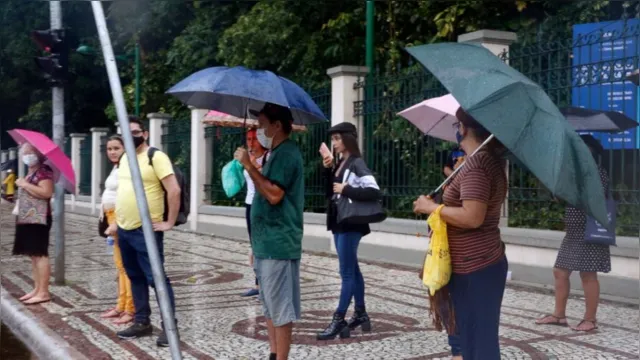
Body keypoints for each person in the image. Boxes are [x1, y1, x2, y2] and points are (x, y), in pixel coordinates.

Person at [413, 108, 508, 360]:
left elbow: (472, 217)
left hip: (476, 266)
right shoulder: (479, 161)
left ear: (463, 128)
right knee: (471, 342)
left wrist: (432, 207)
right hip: (477, 263)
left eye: (457, 124)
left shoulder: (478, 164)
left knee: (478, 345)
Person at [234, 102, 304, 360]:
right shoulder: (275, 153)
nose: (259, 129)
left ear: (277, 125)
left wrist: (250, 167)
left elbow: (274, 194)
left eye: (263, 124)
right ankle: (273, 353)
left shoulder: (287, 153)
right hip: (265, 243)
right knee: (269, 306)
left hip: (279, 243)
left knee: (280, 308)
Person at [115, 118, 181, 347]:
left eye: (135, 132)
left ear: (144, 133)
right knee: (135, 276)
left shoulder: (156, 157)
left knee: (157, 279)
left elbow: (173, 189)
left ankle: (170, 327)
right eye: (126, 132)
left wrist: (169, 222)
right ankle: (142, 322)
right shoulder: (125, 157)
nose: (130, 136)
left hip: (146, 230)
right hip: (124, 229)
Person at [535, 135, 610, 332]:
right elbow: (564, 199)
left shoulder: (597, 174)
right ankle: (559, 315)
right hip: (574, 232)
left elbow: (592, 199)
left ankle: (590, 320)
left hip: (591, 229)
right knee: (560, 271)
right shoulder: (575, 175)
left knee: (588, 274)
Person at [316, 122, 382, 340]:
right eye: (332, 139)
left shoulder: (356, 163)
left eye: (337, 138)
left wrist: (347, 188)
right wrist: (327, 168)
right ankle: (361, 314)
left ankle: (339, 319)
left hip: (351, 222)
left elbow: (373, 190)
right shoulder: (341, 163)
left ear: (348, 139)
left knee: (346, 273)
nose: (334, 143)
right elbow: (330, 193)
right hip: (339, 220)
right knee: (352, 269)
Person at [99, 135, 135, 325]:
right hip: (111, 216)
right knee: (119, 266)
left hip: (119, 218)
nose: (112, 152)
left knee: (126, 266)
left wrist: (116, 222)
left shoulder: (127, 166)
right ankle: (121, 305)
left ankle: (130, 308)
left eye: (116, 148)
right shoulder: (117, 167)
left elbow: (127, 195)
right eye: (109, 148)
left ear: (125, 148)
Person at [13, 143, 54, 305]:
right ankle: (37, 288)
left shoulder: (44, 171)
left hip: (40, 217)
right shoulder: (32, 172)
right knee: (33, 255)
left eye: (31, 152)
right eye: (25, 153)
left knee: (40, 253)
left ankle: (44, 292)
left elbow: (46, 193)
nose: (27, 155)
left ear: (39, 154)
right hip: (29, 216)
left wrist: (24, 184)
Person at [241, 128, 268, 298]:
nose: (251, 142)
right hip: (249, 203)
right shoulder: (249, 158)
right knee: (253, 246)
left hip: (262, 205)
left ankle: (265, 286)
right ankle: (258, 284)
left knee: (261, 245)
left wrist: (253, 166)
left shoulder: (268, 158)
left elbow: (266, 182)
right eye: (248, 139)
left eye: (254, 139)